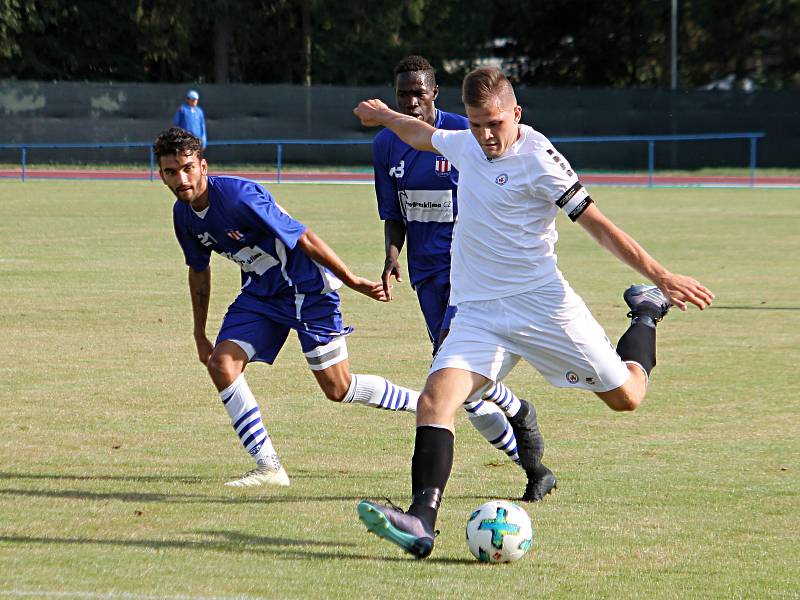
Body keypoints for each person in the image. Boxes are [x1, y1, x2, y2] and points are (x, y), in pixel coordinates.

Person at [353, 67, 714, 559]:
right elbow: (421, 135)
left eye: (495, 124)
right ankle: (422, 521)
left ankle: (646, 313)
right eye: (477, 123)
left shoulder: (540, 159)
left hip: (543, 307)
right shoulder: (464, 143)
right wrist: (386, 116)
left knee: (627, 397)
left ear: (516, 114)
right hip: (479, 313)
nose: (484, 135)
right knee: (436, 399)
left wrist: (662, 275)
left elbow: (599, 225)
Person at [154, 126, 422, 488]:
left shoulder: (237, 195)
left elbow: (303, 236)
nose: (181, 178)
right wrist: (199, 333)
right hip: (261, 295)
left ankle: (426, 404)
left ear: (203, 166)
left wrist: (353, 279)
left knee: (338, 389)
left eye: (187, 168)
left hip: (307, 290)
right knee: (222, 363)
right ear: (161, 174)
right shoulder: (182, 216)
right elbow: (199, 273)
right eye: (171, 171)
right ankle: (269, 467)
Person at [372, 55, 556, 502]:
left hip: (471, 272)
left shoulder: (463, 134)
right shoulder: (385, 145)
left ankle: (514, 440)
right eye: (403, 94)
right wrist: (392, 255)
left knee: (448, 372)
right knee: (466, 390)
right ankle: (531, 458)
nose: (411, 102)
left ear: (435, 92)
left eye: (419, 92)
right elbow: (393, 211)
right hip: (427, 275)